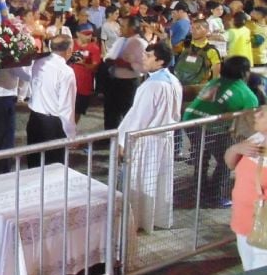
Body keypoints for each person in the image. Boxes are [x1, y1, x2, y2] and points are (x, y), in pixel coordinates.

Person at [118, 42, 182, 233]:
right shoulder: (173, 81)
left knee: (141, 181)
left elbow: (138, 117)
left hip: (147, 140)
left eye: (148, 56)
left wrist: (123, 141)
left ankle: (136, 220)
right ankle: (155, 218)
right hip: (164, 138)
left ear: (160, 61)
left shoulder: (153, 85)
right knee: (157, 181)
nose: (143, 58)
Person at [183, 56, 259, 207]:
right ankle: (216, 196)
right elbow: (250, 123)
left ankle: (200, 191)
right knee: (226, 160)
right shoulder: (246, 94)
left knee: (201, 158)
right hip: (212, 127)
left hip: (190, 121)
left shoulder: (214, 82)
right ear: (245, 72)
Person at [224, 107, 267, 271]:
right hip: (243, 222)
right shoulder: (256, 139)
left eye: (263, 113)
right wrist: (236, 149)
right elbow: (230, 164)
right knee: (249, 269)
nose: (256, 114)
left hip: (263, 226)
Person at [26, 34, 77, 167]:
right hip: (53, 125)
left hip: (34, 119)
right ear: (69, 50)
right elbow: (66, 107)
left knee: (34, 164)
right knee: (53, 167)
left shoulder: (39, 63)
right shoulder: (66, 72)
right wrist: (71, 135)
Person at [0, 63, 30, 176]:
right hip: (2, 97)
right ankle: (1, 172)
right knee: (4, 140)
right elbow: (22, 73)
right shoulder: (8, 55)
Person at [103, 16, 148, 130]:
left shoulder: (140, 43)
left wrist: (125, 63)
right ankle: (109, 137)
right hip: (114, 80)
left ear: (132, 28)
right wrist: (111, 60)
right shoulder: (120, 40)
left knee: (128, 112)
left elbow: (143, 67)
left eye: (123, 26)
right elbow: (109, 56)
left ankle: (127, 138)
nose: (120, 28)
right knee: (111, 111)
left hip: (129, 83)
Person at [174, 19, 222, 100]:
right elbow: (171, 52)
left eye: (198, 28)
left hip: (199, 91)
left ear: (207, 31)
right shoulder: (184, 45)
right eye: (192, 28)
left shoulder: (211, 51)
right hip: (180, 88)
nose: (194, 31)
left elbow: (216, 76)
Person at [71, 24, 101, 123]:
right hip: (69, 84)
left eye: (90, 34)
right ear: (78, 34)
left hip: (84, 86)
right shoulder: (71, 44)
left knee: (77, 111)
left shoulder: (94, 48)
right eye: (86, 34)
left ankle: (71, 134)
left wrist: (83, 63)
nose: (89, 37)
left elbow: (94, 67)